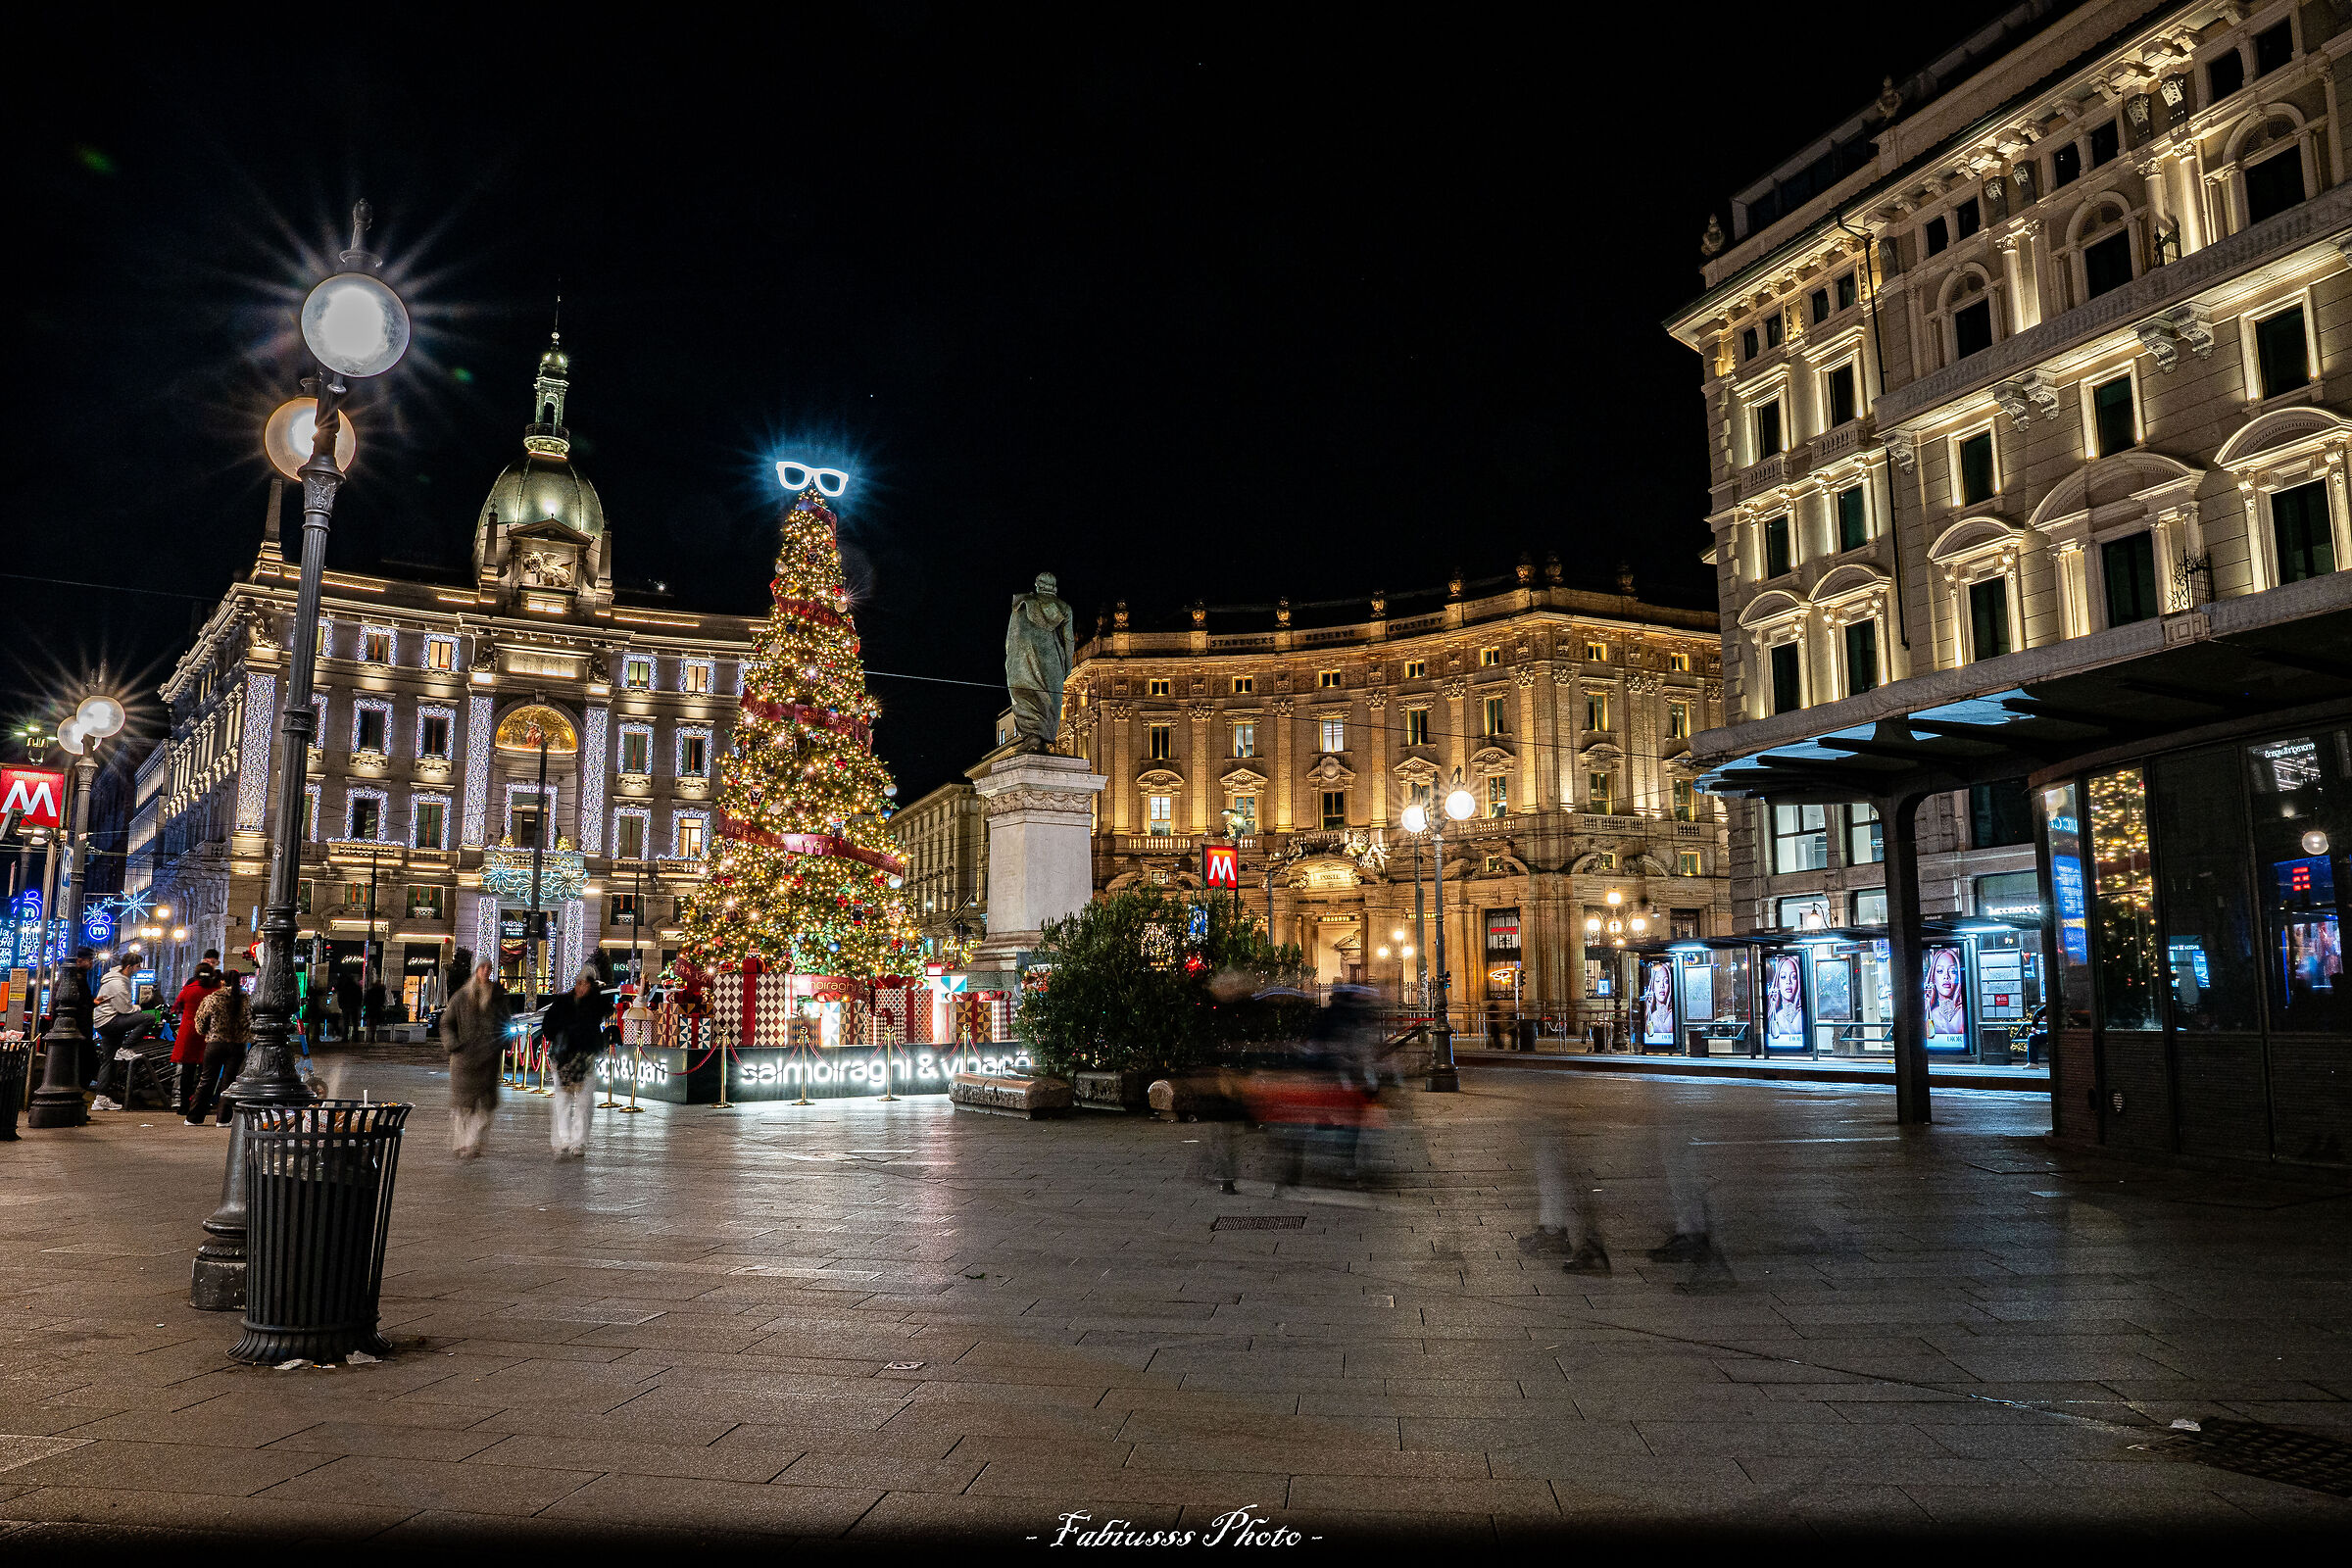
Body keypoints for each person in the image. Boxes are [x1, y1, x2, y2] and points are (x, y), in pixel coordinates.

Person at [442, 959, 510, 1158]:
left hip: (489, 1060)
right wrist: (454, 1044)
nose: (486, 971)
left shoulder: (497, 996)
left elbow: (506, 1022)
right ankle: (462, 1143)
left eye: (489, 968)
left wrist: (503, 1043)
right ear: (476, 970)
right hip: (464, 1060)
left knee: (487, 1107)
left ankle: (474, 1142)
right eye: (482, 968)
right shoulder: (462, 996)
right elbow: (446, 1023)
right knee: (464, 1106)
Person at [539, 968, 605, 1159]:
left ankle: (579, 1142)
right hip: (564, 1058)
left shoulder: (595, 1004)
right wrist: (562, 1034)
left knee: (584, 1102)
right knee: (563, 1100)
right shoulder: (563, 1003)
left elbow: (597, 1026)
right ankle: (563, 1139)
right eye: (579, 982)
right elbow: (547, 1027)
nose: (582, 986)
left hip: (586, 1058)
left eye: (586, 983)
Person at [185, 969, 252, 1125]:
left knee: (206, 1080)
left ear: (222, 982)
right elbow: (251, 1022)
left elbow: (200, 1023)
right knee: (229, 1083)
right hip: (237, 1046)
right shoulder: (247, 1000)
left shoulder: (212, 999)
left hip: (215, 1044)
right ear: (240, 982)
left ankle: (194, 1118)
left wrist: (207, 1032)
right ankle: (223, 1119)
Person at [169, 962, 220, 1115]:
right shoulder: (215, 991)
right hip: (208, 1033)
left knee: (187, 1071)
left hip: (189, 1032)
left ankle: (184, 1105)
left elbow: (176, 1008)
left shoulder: (188, 989)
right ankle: (200, 1104)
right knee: (206, 1073)